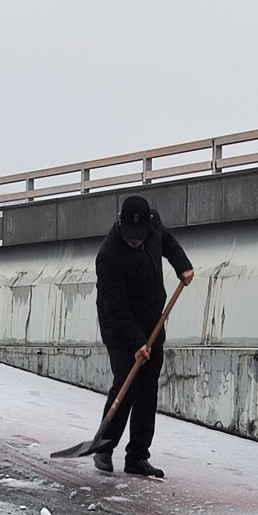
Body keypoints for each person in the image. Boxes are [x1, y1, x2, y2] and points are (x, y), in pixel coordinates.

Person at [91, 194, 195, 478]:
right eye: (130, 237)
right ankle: (103, 448)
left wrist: (182, 265)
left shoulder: (154, 225)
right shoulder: (108, 256)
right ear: (120, 222)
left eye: (139, 236)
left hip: (152, 319)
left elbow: (168, 243)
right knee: (127, 383)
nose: (135, 241)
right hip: (118, 325)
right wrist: (137, 342)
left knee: (148, 387)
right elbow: (116, 309)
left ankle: (137, 457)